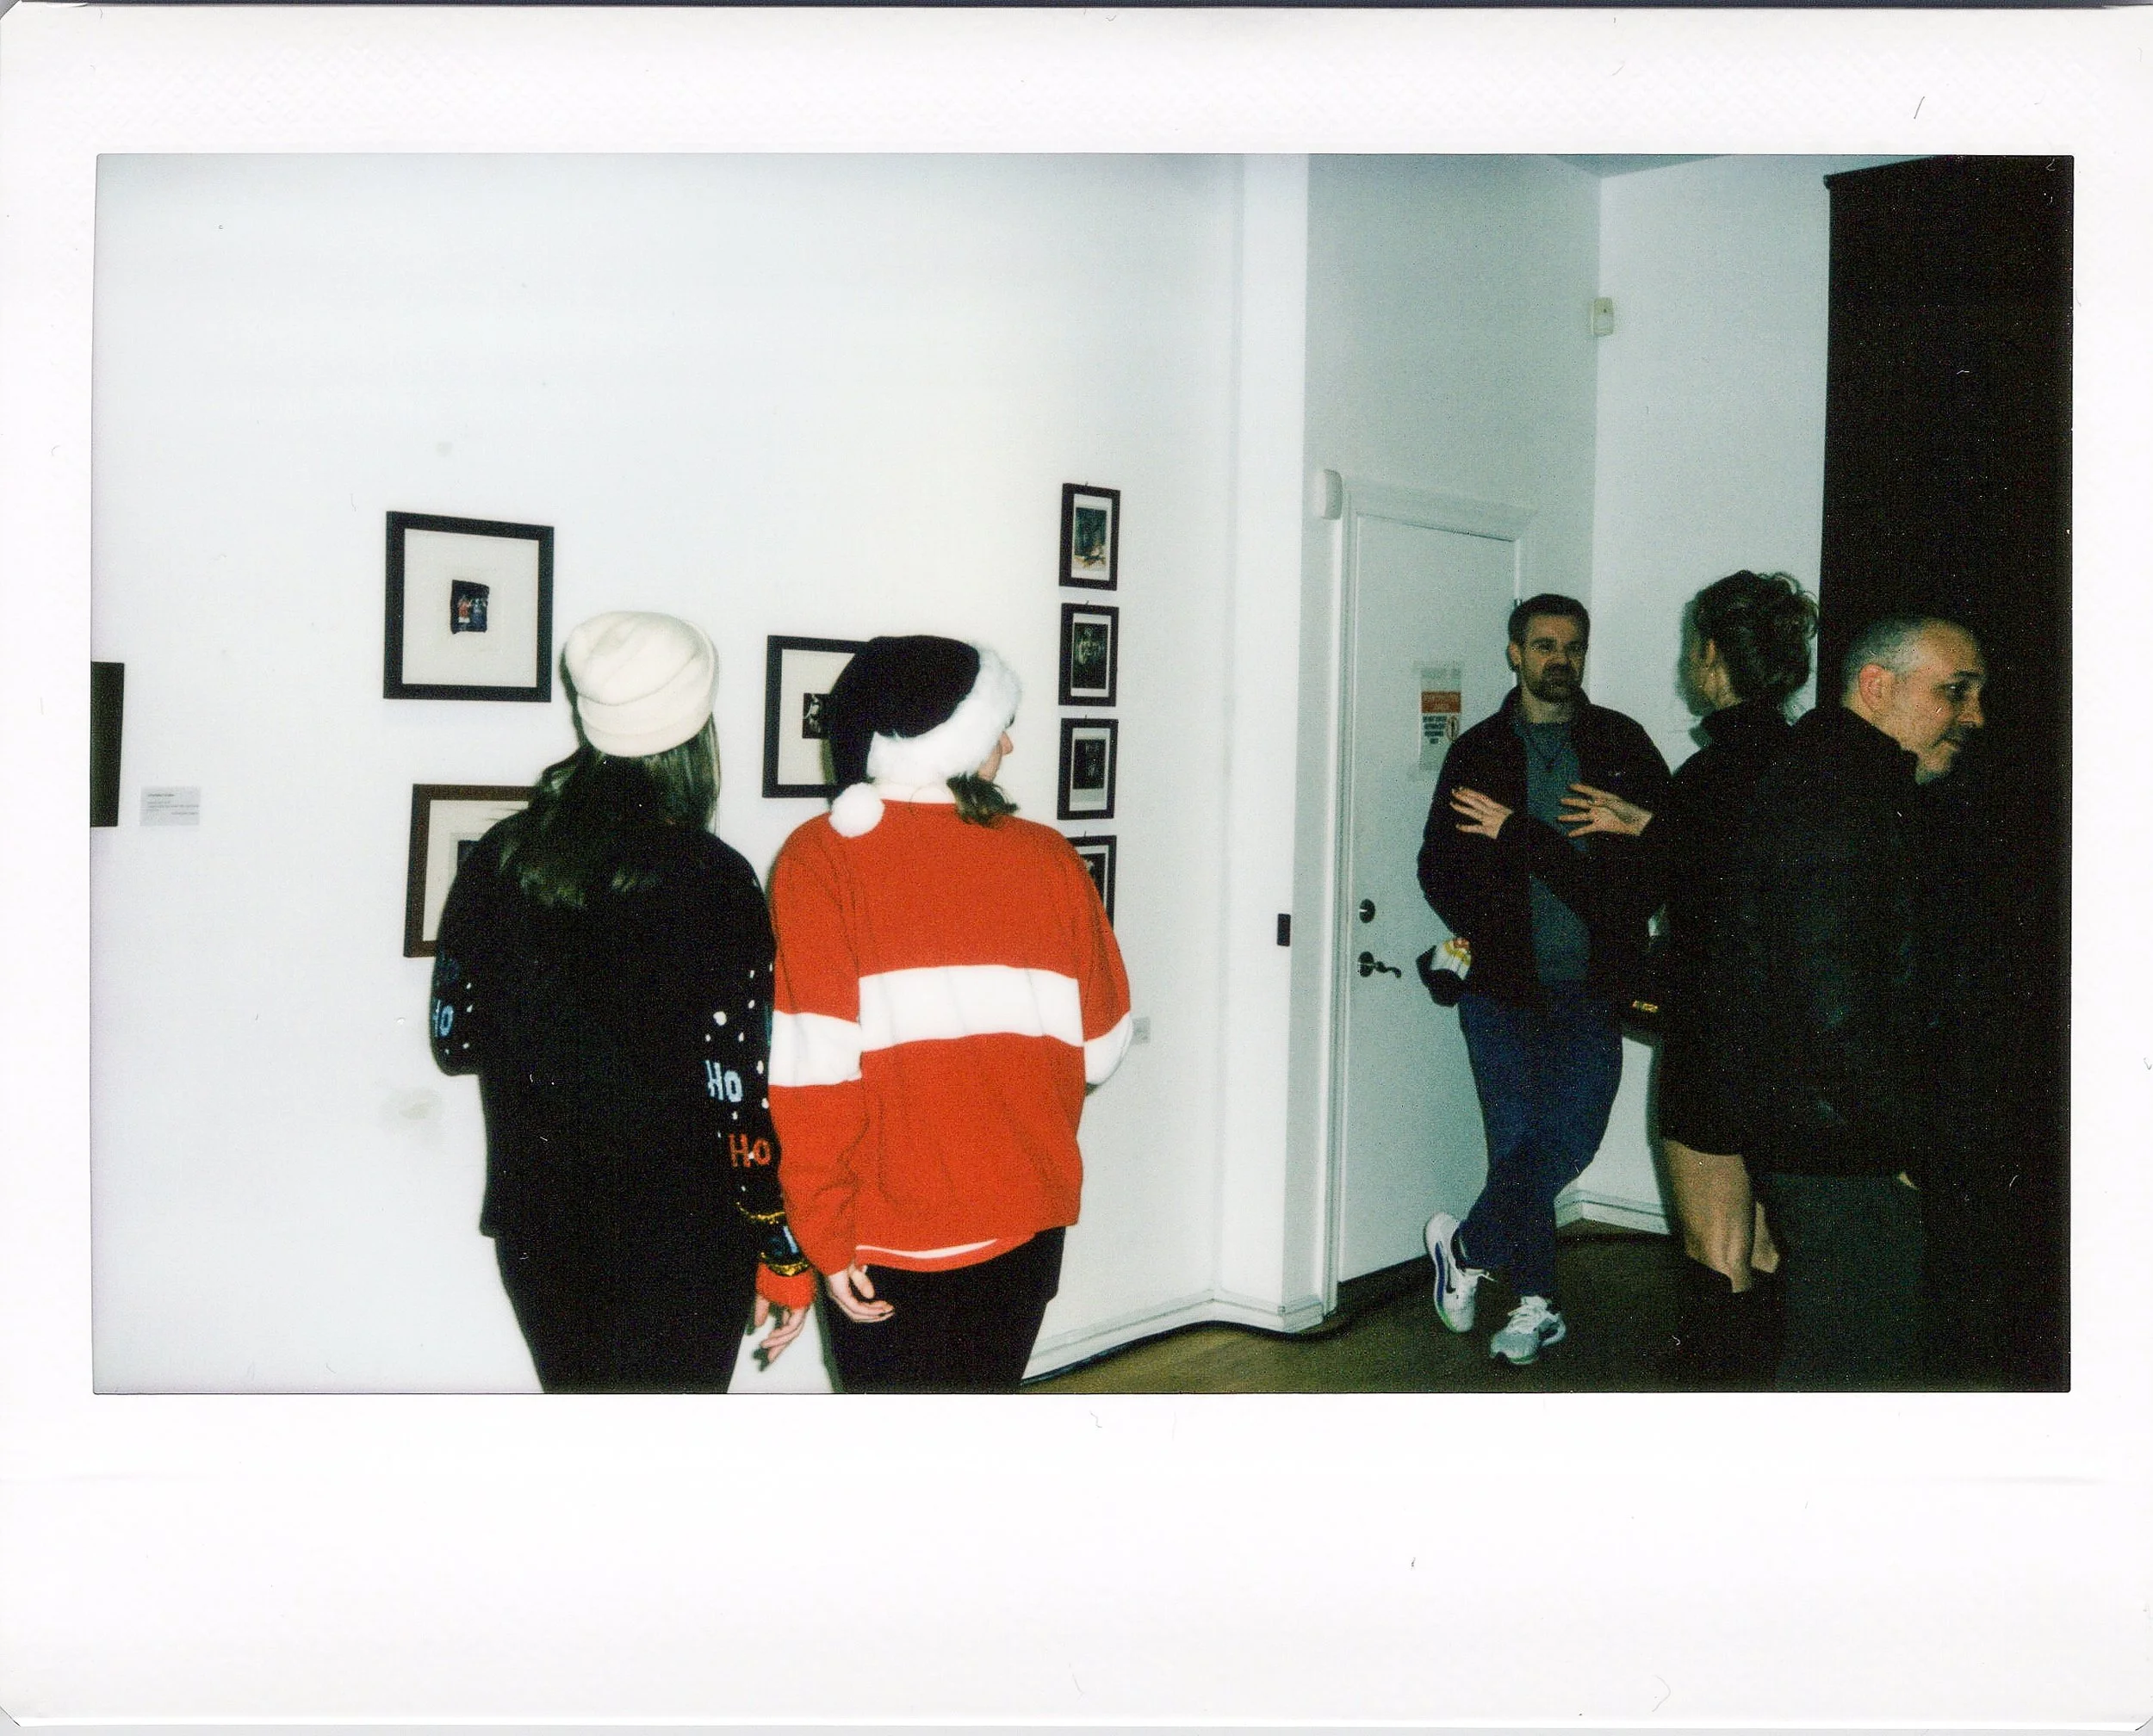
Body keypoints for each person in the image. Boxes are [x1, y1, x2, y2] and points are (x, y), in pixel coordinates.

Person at [429, 611, 814, 1392]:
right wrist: (780, 1244)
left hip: (539, 1221)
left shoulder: (504, 853)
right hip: (681, 1233)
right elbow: (737, 1091)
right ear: (697, 728)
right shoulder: (715, 877)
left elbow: (454, 1039)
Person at [766, 636, 1132, 1392]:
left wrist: (825, 1242)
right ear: (951, 741)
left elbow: (812, 1078)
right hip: (1024, 1223)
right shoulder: (1049, 856)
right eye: (992, 725)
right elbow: (1100, 1048)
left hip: (882, 1239)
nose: (1007, 742)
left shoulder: (819, 859)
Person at [1709, 614, 1987, 1389]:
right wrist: (1900, 1141)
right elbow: (1831, 999)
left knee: (1845, 1343)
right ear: (1876, 686)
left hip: (1831, 1129)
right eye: (1954, 693)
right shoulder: (1836, 796)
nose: (1974, 716)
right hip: (1841, 1141)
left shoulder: (1856, 783)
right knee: (1856, 1359)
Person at [1560, 570, 1818, 1386]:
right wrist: (1650, 824)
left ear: (1711, 655)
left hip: (1714, 1044)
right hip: (1795, 1044)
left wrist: (1531, 839)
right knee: (1772, 1244)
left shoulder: (1706, 776)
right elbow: (1740, 859)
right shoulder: (1809, 763)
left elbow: (1637, 894)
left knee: (1718, 1254)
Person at [1417, 594, 1672, 1364]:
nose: (1561, 658)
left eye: (1574, 647)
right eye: (1546, 645)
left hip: (1595, 988)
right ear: (1515, 654)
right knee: (1517, 1145)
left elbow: (1659, 868)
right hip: (1500, 992)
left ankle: (1463, 1248)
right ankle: (1535, 1303)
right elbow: (1436, 863)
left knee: (1569, 1139)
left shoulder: (1622, 744)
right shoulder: (1481, 750)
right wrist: (1480, 925)